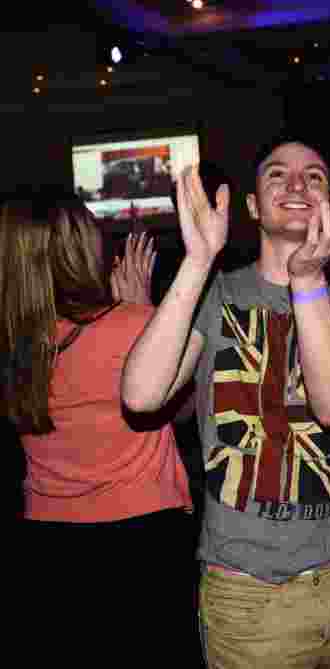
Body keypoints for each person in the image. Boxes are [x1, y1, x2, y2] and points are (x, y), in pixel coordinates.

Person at [121, 134, 330, 668]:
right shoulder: (216, 294)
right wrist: (199, 261)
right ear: (250, 205)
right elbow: (140, 395)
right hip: (245, 596)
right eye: (277, 175)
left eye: (314, 177)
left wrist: (307, 279)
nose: (296, 184)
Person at [2, 191, 194, 666]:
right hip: (142, 546)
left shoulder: (12, 343)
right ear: (80, 249)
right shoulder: (132, 324)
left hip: (46, 547)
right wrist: (148, 315)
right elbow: (183, 412)